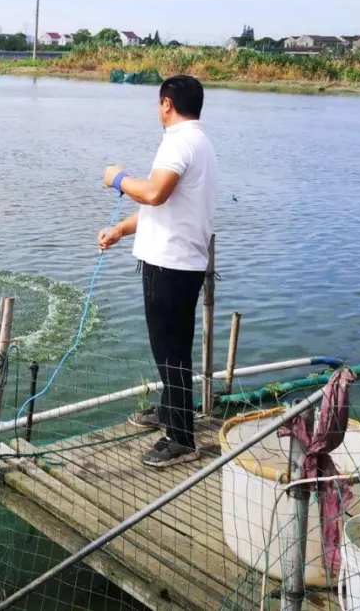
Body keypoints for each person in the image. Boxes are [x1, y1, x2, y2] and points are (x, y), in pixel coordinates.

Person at [98, 74, 218, 467]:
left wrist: (116, 178)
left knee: (170, 352)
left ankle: (181, 438)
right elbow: (162, 207)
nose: (158, 109)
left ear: (167, 103)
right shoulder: (198, 141)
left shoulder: (180, 142)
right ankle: (172, 411)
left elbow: (153, 192)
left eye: (158, 103)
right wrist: (120, 228)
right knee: (170, 349)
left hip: (171, 265)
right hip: (177, 262)